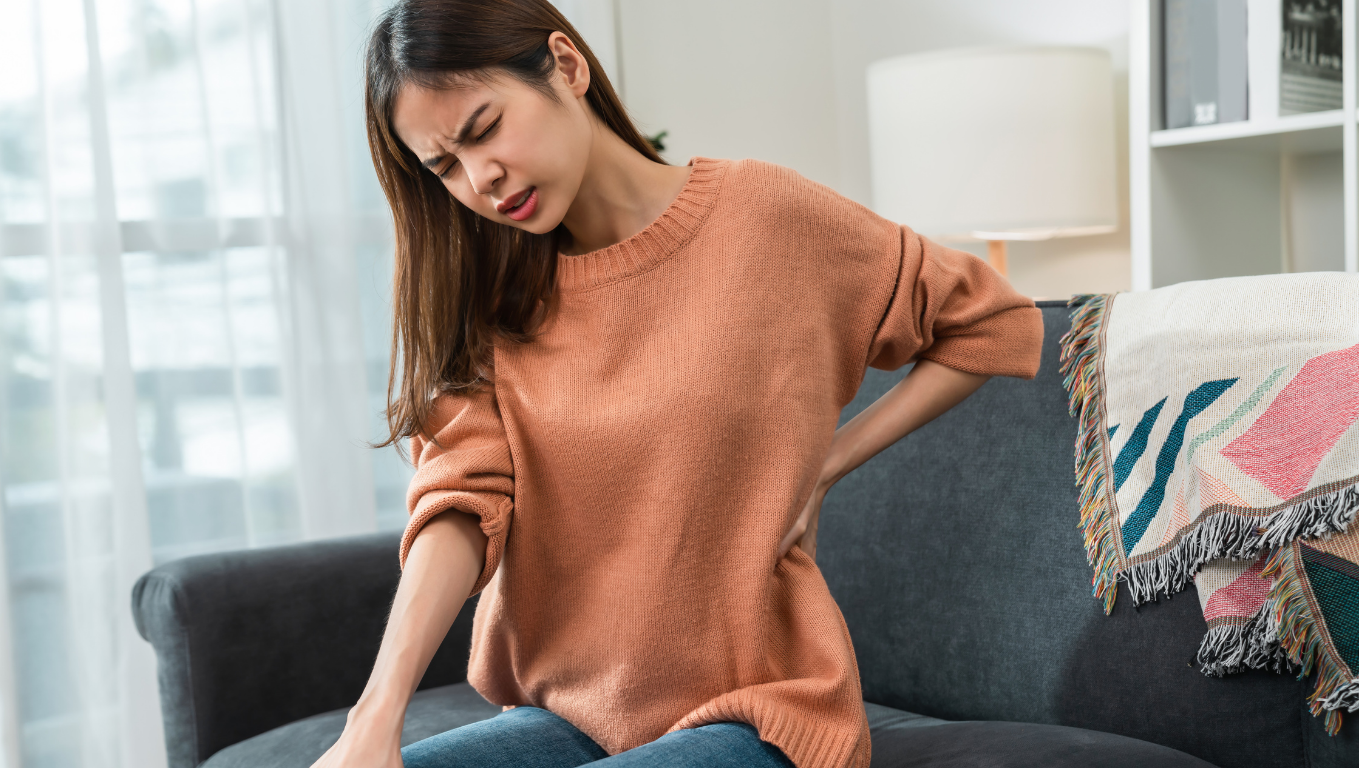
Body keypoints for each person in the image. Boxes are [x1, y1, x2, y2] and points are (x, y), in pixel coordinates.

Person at [313, 1, 1043, 767]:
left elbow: (994, 322)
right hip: (572, 715)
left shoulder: (764, 218)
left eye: (484, 127)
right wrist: (376, 716)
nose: (480, 179)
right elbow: (460, 502)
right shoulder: (494, 297)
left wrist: (826, 463)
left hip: (759, 713)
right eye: (444, 168)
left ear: (565, 65)